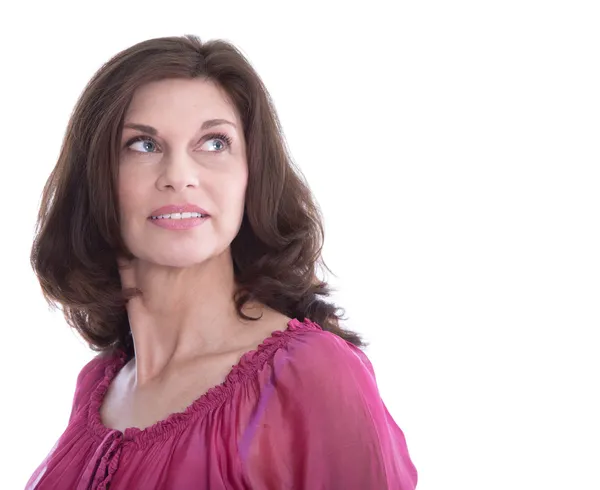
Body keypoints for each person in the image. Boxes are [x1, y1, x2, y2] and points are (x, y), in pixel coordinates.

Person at [25, 35, 418, 489]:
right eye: (143, 145)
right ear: (96, 179)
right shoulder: (96, 388)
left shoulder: (311, 375)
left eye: (214, 143)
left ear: (252, 175)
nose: (179, 176)